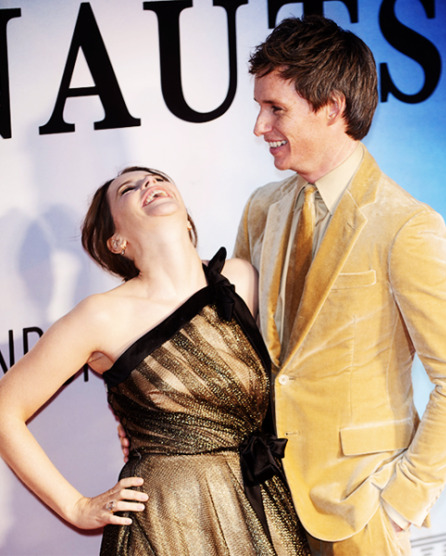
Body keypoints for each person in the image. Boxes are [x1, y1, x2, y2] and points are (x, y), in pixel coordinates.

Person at [233, 15, 446, 556]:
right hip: (266, 501)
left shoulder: (406, 225)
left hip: (359, 506)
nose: (259, 126)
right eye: (260, 107)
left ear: (332, 108)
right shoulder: (261, 209)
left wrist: (400, 504)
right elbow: (235, 346)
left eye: (275, 108)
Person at [0, 166, 311, 555]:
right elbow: (4, 409)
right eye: (129, 188)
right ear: (116, 241)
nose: (150, 184)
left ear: (185, 213)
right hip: (168, 525)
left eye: (157, 178)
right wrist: (76, 508)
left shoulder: (241, 278)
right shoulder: (101, 316)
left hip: (262, 505)